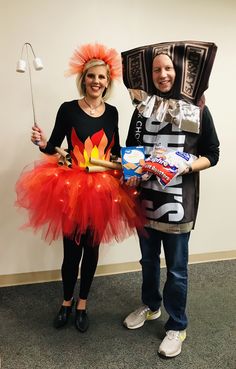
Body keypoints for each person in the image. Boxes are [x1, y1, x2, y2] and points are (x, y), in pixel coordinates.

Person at [15, 43, 144, 333]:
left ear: (108, 81)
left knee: (92, 249)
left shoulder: (112, 113)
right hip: (72, 188)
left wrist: (132, 162)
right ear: (83, 78)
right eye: (91, 76)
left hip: (102, 191)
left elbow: (115, 150)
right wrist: (41, 140)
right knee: (71, 251)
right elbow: (53, 147)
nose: (96, 82)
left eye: (102, 77)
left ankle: (83, 303)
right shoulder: (68, 109)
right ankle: (65, 302)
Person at [121, 41, 220, 357]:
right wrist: (132, 171)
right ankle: (151, 306)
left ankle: (177, 325)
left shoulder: (198, 109)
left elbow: (213, 153)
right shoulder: (141, 109)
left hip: (178, 201)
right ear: (151, 75)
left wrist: (186, 165)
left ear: (177, 72)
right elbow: (132, 149)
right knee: (148, 260)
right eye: (157, 69)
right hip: (146, 199)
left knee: (177, 268)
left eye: (168, 68)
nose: (163, 74)